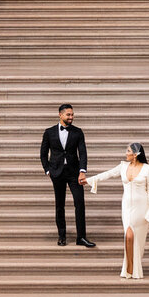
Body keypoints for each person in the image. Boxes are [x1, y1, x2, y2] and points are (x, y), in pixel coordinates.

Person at [88, 142, 149, 279]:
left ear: (136, 154)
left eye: (128, 151)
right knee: (128, 235)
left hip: (141, 208)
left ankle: (134, 269)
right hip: (127, 206)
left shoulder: (148, 169)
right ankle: (128, 268)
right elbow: (107, 174)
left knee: (136, 238)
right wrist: (90, 180)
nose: (126, 153)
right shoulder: (123, 166)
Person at [40, 104, 96, 248]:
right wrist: (48, 170)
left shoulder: (78, 132)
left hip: (74, 173)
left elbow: (82, 153)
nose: (71, 117)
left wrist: (82, 171)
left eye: (72, 115)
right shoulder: (49, 132)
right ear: (60, 114)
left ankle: (81, 237)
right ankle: (62, 236)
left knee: (80, 203)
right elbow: (43, 153)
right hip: (57, 172)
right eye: (68, 115)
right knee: (60, 205)